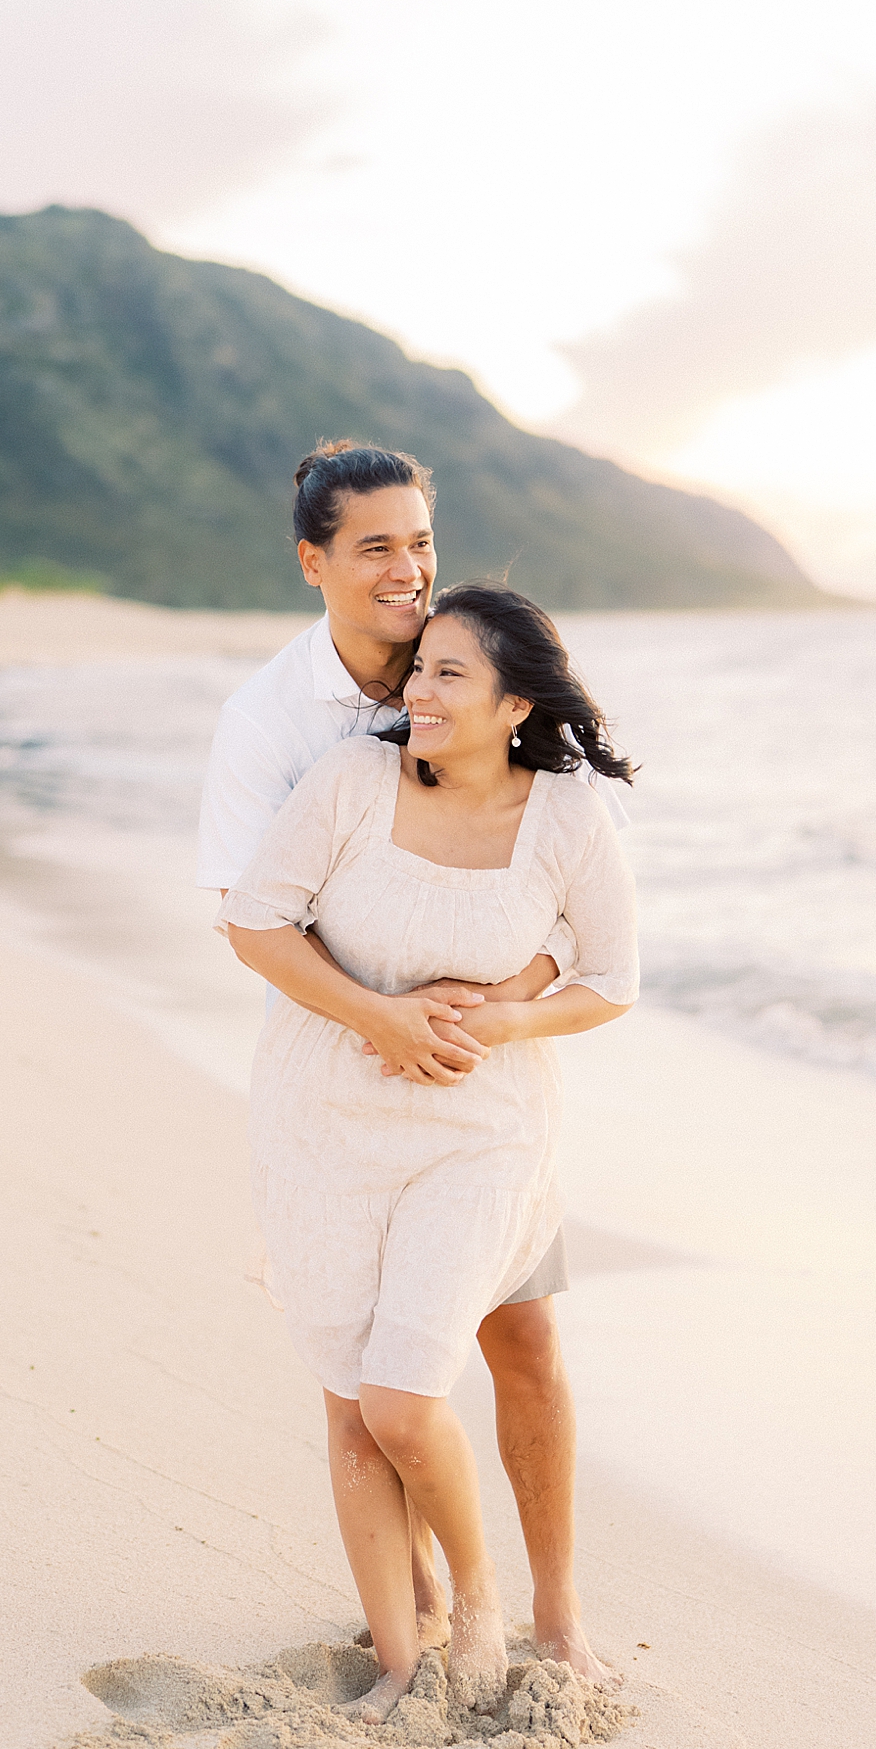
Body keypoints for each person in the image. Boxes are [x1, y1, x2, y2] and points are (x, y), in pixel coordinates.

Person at [198, 440, 631, 1683]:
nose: (406, 569)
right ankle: (421, 1616)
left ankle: (555, 1616)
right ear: (313, 563)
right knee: (365, 1388)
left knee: (522, 1343)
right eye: (375, 546)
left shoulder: (483, 671)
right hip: (342, 1080)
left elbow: (570, 906)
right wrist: (384, 1020)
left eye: (420, 542)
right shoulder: (280, 728)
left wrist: (499, 1001)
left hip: (478, 1101)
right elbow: (252, 919)